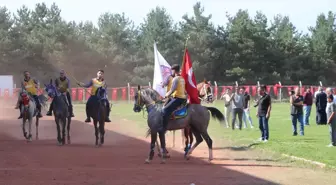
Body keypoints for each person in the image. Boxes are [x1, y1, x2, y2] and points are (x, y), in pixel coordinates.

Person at [161, 64, 187, 132]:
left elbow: (172, 90)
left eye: (171, 70)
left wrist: (166, 95)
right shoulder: (182, 78)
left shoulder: (175, 79)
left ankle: (164, 128)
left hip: (178, 98)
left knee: (165, 110)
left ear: (174, 71)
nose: (171, 72)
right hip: (182, 98)